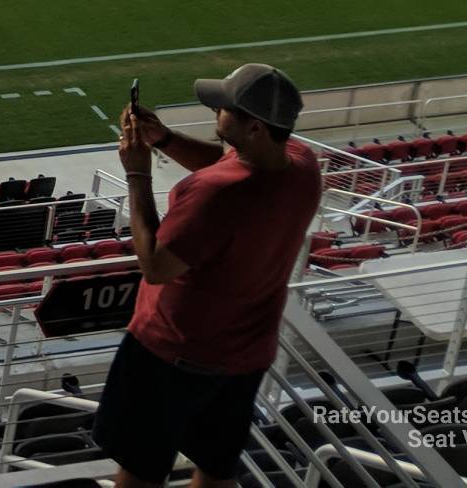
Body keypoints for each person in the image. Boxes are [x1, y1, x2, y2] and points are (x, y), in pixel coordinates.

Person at [92, 65, 323, 488]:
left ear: (253, 126)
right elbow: (228, 160)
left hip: (171, 355)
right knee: (216, 471)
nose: (217, 110)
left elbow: (156, 266)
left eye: (224, 107)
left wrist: (138, 171)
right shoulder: (302, 164)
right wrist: (162, 139)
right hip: (244, 355)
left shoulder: (215, 195)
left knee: (140, 473)